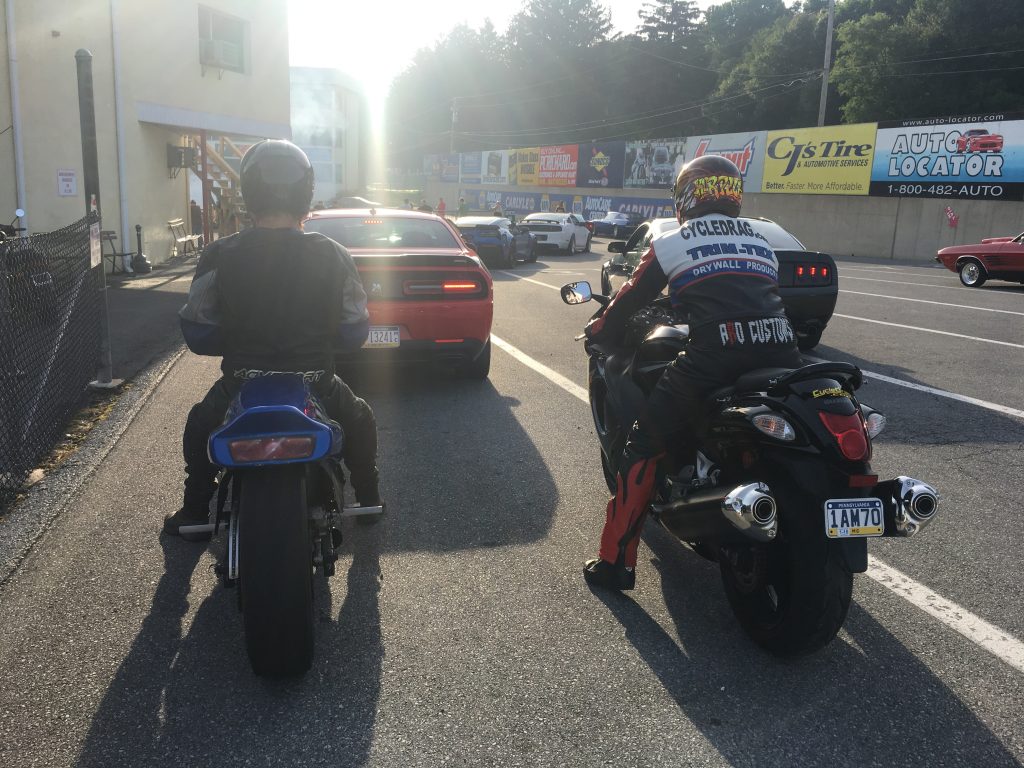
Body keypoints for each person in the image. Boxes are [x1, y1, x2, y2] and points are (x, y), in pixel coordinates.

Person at [581, 155, 802, 590]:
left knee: (643, 442)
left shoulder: (673, 241)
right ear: (733, 193)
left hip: (715, 355)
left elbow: (628, 299)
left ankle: (616, 563)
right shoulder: (760, 241)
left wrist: (596, 329)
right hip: (783, 352)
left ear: (686, 195)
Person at [166, 139, 381, 538]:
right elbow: (354, 330)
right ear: (307, 194)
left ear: (250, 194)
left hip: (240, 383)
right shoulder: (334, 253)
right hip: (318, 381)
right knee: (360, 418)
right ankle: (367, 498)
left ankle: (195, 510)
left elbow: (197, 330)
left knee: (200, 425)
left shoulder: (219, 254)